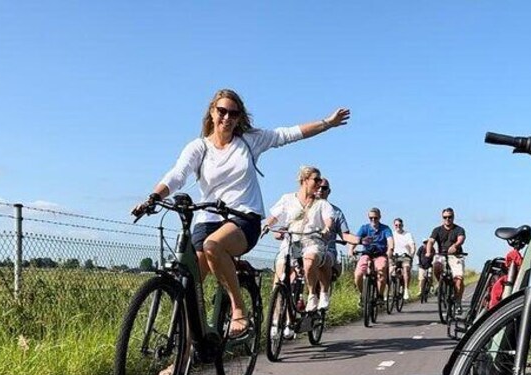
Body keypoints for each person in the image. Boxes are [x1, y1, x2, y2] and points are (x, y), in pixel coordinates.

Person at [132, 88, 350, 340]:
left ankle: (238, 309)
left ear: (239, 117)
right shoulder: (198, 147)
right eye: (222, 111)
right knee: (190, 288)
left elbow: (289, 133)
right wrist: (154, 197)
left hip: (243, 218)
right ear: (212, 112)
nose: (227, 118)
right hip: (207, 219)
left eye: (233, 113)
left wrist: (328, 123)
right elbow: (178, 174)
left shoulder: (249, 140)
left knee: (214, 246)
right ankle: (182, 358)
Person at [263, 166, 335, 311]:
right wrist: (265, 226)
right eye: (316, 179)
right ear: (304, 180)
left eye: (320, 180)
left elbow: (329, 220)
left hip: (312, 241)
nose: (319, 183)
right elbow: (274, 217)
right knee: (280, 278)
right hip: (292, 241)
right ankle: (278, 320)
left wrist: (326, 228)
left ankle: (312, 295)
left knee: (309, 261)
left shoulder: (322, 203)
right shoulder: (287, 199)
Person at [315, 178, 361, 299]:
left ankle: (323, 300)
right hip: (304, 246)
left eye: (324, 188)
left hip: (326, 249)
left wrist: (360, 240)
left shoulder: (336, 212)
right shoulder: (305, 207)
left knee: (323, 264)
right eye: (318, 187)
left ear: (328, 191)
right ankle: (280, 314)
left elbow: (344, 235)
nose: (320, 190)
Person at [425, 207, 466, 313]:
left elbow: (461, 239)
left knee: (459, 279)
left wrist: (455, 246)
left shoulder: (459, 229)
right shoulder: (437, 230)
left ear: (453, 217)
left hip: (455, 255)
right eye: (445, 217)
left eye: (450, 217)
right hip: (441, 254)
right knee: (436, 265)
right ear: (442, 218)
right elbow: (430, 241)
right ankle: (441, 284)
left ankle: (458, 302)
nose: (447, 219)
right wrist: (428, 252)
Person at [348, 207, 394, 304]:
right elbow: (356, 239)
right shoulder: (364, 228)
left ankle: (380, 295)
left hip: (380, 254)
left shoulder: (385, 229)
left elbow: (390, 241)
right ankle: (362, 294)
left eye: (375, 218)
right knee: (358, 274)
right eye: (371, 218)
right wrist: (351, 250)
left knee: (381, 270)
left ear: (379, 217)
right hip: (367, 253)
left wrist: (390, 250)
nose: (373, 220)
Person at [391, 218, 416, 300]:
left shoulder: (407, 234)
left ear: (402, 225)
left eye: (400, 225)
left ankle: (406, 290)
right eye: (396, 225)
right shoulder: (392, 234)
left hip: (405, 256)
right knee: (389, 271)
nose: (398, 226)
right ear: (394, 226)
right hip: (394, 256)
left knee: (406, 269)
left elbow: (412, 245)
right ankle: (388, 291)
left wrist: (411, 254)